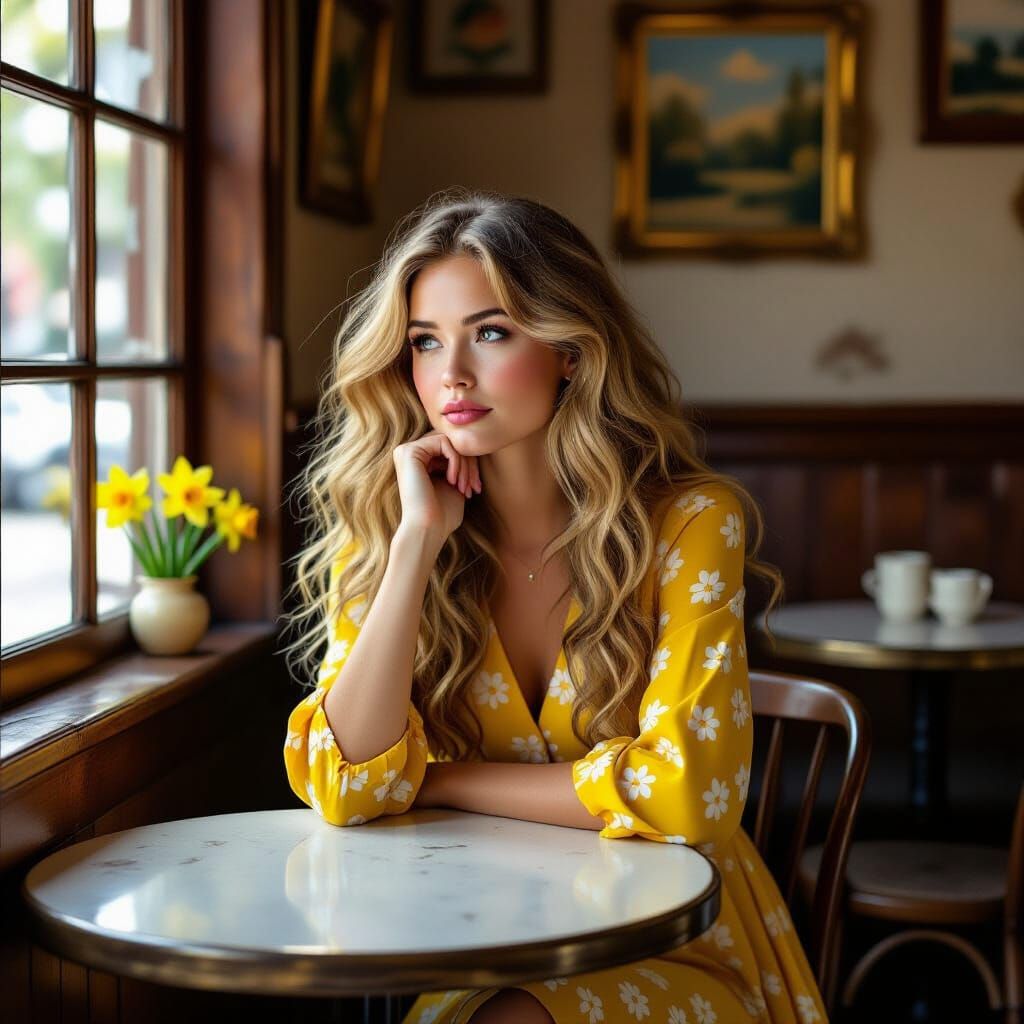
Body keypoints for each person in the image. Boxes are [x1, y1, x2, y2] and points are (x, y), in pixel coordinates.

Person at [281, 188, 828, 1024]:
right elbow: (344, 785)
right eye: (426, 343)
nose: (451, 375)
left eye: (490, 332)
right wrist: (415, 549)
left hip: (670, 943)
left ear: (571, 350)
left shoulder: (686, 523)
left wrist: (437, 779)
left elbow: (689, 797)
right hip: (477, 942)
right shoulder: (399, 529)